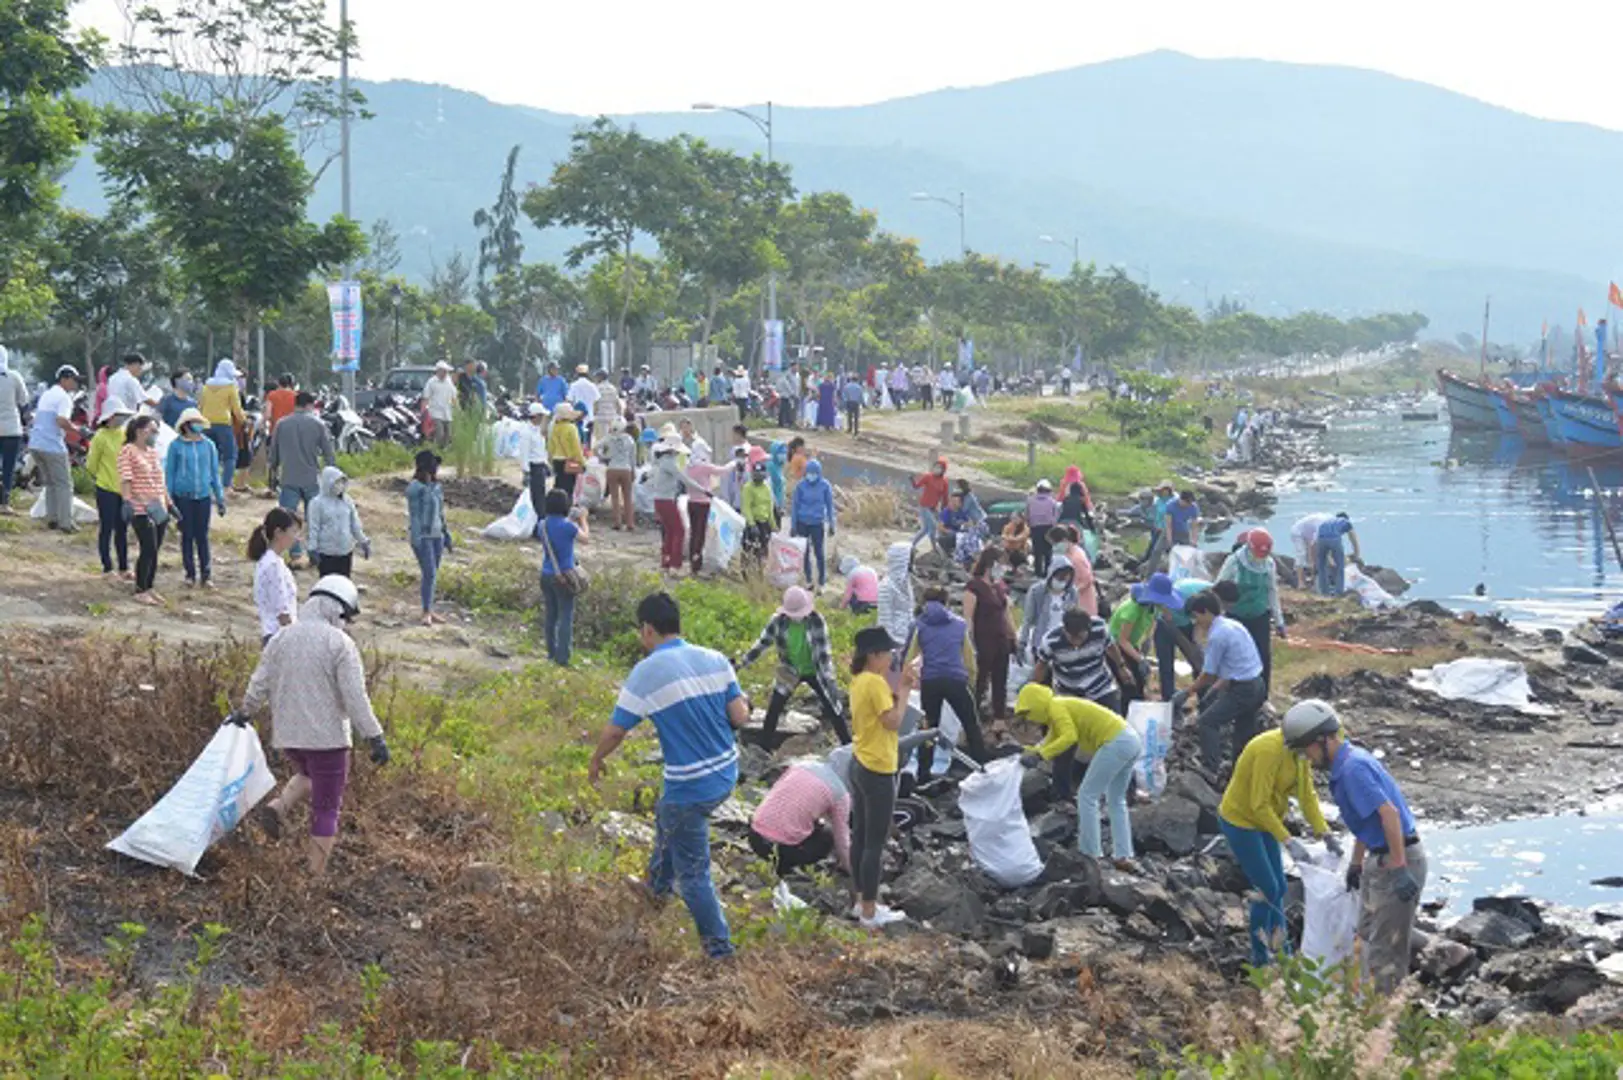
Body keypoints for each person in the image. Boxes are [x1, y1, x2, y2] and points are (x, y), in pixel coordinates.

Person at [588, 593, 747, 958]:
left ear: (647, 630)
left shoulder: (647, 671)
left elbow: (615, 731)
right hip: (726, 770)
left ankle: (720, 951)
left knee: (693, 872)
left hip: (692, 785)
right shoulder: (715, 659)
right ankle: (656, 889)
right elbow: (740, 717)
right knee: (668, 813)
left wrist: (596, 759)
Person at [233, 575, 388, 875]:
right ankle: (313, 878)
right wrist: (375, 737)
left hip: (289, 737)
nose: (346, 624)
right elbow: (355, 698)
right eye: (345, 617)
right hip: (328, 740)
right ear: (335, 610)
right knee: (327, 808)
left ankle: (279, 806)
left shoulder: (281, 637)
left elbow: (259, 682)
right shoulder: (340, 644)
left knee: (307, 773)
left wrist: (245, 711)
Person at [1288, 699, 1426, 993]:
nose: (1307, 759)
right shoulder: (1345, 767)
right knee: (1364, 938)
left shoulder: (1353, 770)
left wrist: (1399, 867)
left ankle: (1387, 1025)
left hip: (1396, 857)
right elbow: (1366, 822)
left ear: (1323, 740)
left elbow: (1389, 814)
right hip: (1380, 858)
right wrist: (1355, 863)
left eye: (1307, 750)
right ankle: (1367, 1010)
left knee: (1386, 952)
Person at [1217, 720, 1337, 968]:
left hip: (1266, 822)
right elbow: (1258, 804)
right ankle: (1260, 960)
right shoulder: (1267, 750)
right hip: (1241, 821)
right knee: (1266, 890)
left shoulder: (1299, 754)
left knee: (1280, 887)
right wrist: (1288, 840)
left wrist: (1324, 832)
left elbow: (1307, 794)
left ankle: (1283, 952)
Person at [847, 626, 920, 928]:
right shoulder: (875, 683)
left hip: (859, 761)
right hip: (878, 767)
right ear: (874, 655)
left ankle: (858, 900)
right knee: (875, 843)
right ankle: (869, 911)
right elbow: (893, 722)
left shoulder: (859, 681)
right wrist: (904, 688)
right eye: (887, 652)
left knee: (860, 837)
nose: (891, 657)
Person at [1015, 684, 1141, 859]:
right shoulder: (1059, 706)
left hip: (1115, 742)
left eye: (1028, 713)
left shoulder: (1056, 707)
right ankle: (1124, 854)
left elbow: (1069, 737)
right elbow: (1052, 738)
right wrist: (1034, 751)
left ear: (1035, 704)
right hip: (1130, 739)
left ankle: (1091, 853)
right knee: (1116, 800)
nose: (1030, 720)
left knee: (1087, 796)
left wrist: (1041, 755)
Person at [736, 586, 849, 746]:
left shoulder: (816, 620)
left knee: (832, 706)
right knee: (775, 707)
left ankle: (847, 744)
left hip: (816, 670)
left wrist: (829, 680)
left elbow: (824, 653)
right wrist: (741, 663)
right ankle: (764, 749)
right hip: (790, 669)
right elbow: (762, 644)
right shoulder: (778, 622)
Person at [1177, 590, 1268, 777]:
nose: (1196, 622)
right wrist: (1215, 690)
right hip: (1257, 684)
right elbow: (1234, 666)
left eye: (1196, 616)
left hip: (1244, 689)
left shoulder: (1217, 635)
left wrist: (1187, 692)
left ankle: (1211, 770)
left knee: (1207, 722)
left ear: (1205, 612)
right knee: (1243, 731)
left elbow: (1208, 674)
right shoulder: (1234, 626)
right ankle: (1241, 771)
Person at [909, 586, 988, 777]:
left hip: (930, 681)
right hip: (955, 679)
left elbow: (910, 657)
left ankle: (923, 772)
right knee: (971, 724)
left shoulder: (919, 625)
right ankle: (981, 768)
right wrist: (972, 681)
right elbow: (970, 659)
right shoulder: (959, 625)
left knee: (928, 729)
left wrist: (914, 679)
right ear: (946, 603)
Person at [748, 750, 852, 876]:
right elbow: (842, 840)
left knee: (810, 820)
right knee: (828, 836)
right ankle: (784, 869)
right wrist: (851, 869)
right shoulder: (840, 794)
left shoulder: (801, 765)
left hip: (754, 836)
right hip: (781, 849)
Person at [268, 391, 335, 566]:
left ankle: (296, 554)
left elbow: (273, 454)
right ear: (310, 405)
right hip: (311, 478)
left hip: (289, 477)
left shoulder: (282, 424)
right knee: (315, 518)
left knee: (289, 519)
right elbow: (329, 454)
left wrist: (273, 474)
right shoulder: (318, 424)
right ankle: (315, 554)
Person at [1217, 527, 1287, 693]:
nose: (1259, 558)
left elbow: (1272, 591)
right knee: (1235, 656)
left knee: (1263, 656)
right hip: (1237, 616)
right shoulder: (1234, 562)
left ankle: (1262, 696)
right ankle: (1234, 693)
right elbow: (1219, 588)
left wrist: (1279, 622)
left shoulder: (1269, 564)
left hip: (1259, 615)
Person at [165, 407, 227, 588]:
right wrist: (168, 499)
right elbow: (170, 474)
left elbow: (215, 473)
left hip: (203, 497)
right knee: (187, 535)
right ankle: (189, 574)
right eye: (194, 422)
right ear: (185, 425)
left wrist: (220, 498)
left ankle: (206, 575)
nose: (198, 425)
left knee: (202, 536)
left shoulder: (208, 445)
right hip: (182, 497)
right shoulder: (175, 446)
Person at [117, 415, 172, 605]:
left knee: (155, 549)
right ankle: (140, 589)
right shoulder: (128, 451)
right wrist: (128, 501)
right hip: (141, 508)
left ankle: (149, 586)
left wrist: (169, 503)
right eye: (152, 430)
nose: (155, 434)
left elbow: (160, 480)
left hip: (158, 507)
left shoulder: (152, 453)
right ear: (139, 431)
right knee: (147, 547)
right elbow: (126, 479)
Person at [1109, 572, 1183, 701]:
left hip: (1132, 646)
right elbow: (1122, 640)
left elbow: (1150, 627)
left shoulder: (1153, 608)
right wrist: (1140, 659)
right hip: (1115, 648)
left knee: (1140, 681)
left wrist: (1145, 645)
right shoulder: (1132, 609)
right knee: (1130, 685)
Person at [1034, 606, 1123, 714]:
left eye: (1080, 637)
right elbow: (1041, 666)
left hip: (1100, 687)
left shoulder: (1100, 629)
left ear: (1088, 629)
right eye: (1072, 638)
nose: (1076, 643)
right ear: (1064, 630)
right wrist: (1035, 689)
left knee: (1114, 723)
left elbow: (1111, 648)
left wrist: (1121, 667)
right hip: (1068, 692)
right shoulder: (1051, 641)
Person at [964, 548, 1017, 724]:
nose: (1003, 568)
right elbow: (969, 618)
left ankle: (999, 718)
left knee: (1000, 680)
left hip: (1001, 639)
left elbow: (1006, 612)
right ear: (991, 564)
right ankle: (972, 717)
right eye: (1001, 564)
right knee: (980, 680)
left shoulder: (999, 586)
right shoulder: (974, 587)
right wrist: (969, 644)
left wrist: (1014, 636)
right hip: (983, 639)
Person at [537, 488, 588, 666]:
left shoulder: (542, 525)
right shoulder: (568, 526)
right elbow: (585, 538)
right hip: (565, 575)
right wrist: (582, 519)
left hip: (546, 573)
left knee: (550, 615)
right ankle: (563, 657)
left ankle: (551, 652)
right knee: (565, 616)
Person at [29, 365, 82, 532]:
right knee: (64, 484)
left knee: (50, 484)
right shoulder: (64, 398)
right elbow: (61, 420)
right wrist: (77, 430)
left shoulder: (47, 394)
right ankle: (66, 522)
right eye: (74, 380)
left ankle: (52, 518)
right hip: (52, 445)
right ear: (65, 379)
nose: (75, 384)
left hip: (36, 444)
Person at [87, 400, 135, 578]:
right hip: (105, 488)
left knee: (122, 529)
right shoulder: (100, 436)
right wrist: (103, 477)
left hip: (124, 489)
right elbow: (91, 465)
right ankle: (107, 567)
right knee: (107, 528)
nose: (121, 418)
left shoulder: (125, 435)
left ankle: (124, 567)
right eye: (118, 415)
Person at [407, 449, 452, 626]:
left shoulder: (437, 487)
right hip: (423, 536)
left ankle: (430, 609)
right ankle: (426, 610)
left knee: (432, 575)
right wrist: (416, 539)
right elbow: (415, 515)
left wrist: (446, 534)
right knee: (429, 572)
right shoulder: (415, 489)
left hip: (437, 535)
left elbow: (440, 513)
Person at [1153, 574, 1212, 700]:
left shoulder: (1190, 593)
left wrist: (1196, 640)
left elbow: (1214, 602)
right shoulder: (1155, 598)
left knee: (1197, 661)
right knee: (1165, 663)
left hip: (1188, 624)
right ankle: (1170, 701)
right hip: (1164, 624)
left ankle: (1204, 699)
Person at [306, 466, 370, 579]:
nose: (339, 485)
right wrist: (312, 548)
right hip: (326, 553)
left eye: (341, 482)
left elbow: (354, 524)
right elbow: (314, 527)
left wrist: (363, 541)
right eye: (336, 482)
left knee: (343, 584)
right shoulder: (316, 503)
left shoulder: (347, 501)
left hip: (345, 551)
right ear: (328, 482)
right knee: (328, 584)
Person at [250, 507, 302, 645]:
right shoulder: (274, 564)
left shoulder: (268, 560)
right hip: (279, 636)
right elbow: (282, 610)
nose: (297, 538)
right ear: (278, 532)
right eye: (294, 532)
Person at [198, 359, 247, 494]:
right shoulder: (231, 387)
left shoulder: (206, 386)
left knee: (208, 455)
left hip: (206, 423)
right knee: (230, 455)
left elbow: (200, 405)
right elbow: (236, 409)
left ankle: (205, 484)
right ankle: (226, 486)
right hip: (223, 423)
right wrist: (244, 420)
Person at [789, 458, 837, 587]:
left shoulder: (825, 486)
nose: (811, 476)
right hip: (802, 522)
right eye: (809, 473)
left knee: (819, 552)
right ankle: (808, 579)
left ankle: (821, 581)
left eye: (814, 473)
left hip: (817, 523)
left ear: (819, 473)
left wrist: (832, 524)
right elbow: (795, 507)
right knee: (804, 553)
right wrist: (793, 525)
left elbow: (830, 506)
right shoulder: (800, 486)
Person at [1019, 561, 1078, 665]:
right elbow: (1028, 619)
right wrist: (1022, 642)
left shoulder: (1071, 593)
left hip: (1063, 644)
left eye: (1065, 580)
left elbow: (1074, 617)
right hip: (1042, 642)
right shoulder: (1037, 591)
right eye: (1060, 578)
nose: (1062, 582)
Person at [648, 437, 687, 572]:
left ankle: (666, 560)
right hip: (666, 501)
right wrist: (703, 490)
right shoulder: (669, 463)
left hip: (660, 500)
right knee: (679, 530)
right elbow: (684, 478)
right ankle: (675, 564)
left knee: (670, 531)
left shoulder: (660, 462)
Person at [0, 348, 31, 512]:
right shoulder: (14, 377)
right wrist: (28, 421)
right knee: (8, 466)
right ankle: (4, 503)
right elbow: (24, 402)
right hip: (12, 429)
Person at [595, 416, 636, 530]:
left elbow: (596, 447)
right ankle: (630, 522)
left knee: (615, 497)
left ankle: (617, 522)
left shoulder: (608, 438)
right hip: (626, 468)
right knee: (628, 497)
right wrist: (633, 470)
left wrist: (603, 457)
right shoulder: (629, 439)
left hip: (612, 468)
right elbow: (633, 458)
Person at [1050, 526, 1098, 617]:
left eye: (1055, 543)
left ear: (1064, 540)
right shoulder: (1069, 553)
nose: (1054, 547)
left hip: (1082, 601)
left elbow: (1088, 579)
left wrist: (1072, 591)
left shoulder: (1076, 557)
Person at [910, 456, 949, 555]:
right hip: (924, 505)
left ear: (943, 470)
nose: (937, 469)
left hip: (933, 508)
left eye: (939, 468)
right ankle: (934, 548)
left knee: (926, 529)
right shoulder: (928, 477)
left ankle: (912, 545)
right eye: (936, 467)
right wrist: (912, 480)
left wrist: (945, 510)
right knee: (933, 526)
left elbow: (945, 497)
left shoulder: (944, 481)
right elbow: (916, 486)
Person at [547, 403, 586, 500]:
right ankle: (566, 508)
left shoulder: (554, 427)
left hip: (556, 459)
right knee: (568, 487)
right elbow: (576, 447)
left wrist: (550, 460)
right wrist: (582, 462)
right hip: (569, 461)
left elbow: (550, 446)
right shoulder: (571, 428)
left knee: (558, 484)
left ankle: (556, 506)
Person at [1316, 512, 1361, 596]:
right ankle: (1338, 592)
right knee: (1340, 566)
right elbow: (1353, 538)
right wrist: (1356, 554)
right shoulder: (1346, 522)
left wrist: (1330, 559)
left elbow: (1324, 541)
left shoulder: (1326, 522)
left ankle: (1324, 593)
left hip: (1320, 539)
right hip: (1334, 539)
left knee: (1322, 567)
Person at [741, 461, 776, 567]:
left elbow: (769, 508)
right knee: (749, 549)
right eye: (756, 474)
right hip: (753, 524)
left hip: (764, 524)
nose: (758, 477)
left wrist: (773, 525)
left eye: (760, 474)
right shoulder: (748, 488)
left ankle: (760, 573)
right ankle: (746, 572)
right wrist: (752, 524)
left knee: (763, 551)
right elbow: (746, 507)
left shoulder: (767, 488)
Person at [1289, 512, 1333, 589]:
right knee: (1301, 554)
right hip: (1297, 531)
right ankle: (1300, 582)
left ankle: (1311, 578)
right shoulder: (1321, 526)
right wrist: (1313, 562)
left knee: (1310, 557)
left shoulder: (1331, 522)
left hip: (1308, 533)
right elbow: (1314, 546)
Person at [1141, 480, 1177, 571]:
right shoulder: (1159, 501)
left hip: (1167, 529)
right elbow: (1157, 515)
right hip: (1157, 527)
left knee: (1165, 548)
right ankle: (1146, 563)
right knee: (1153, 546)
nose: (1163, 492)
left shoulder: (1173, 502)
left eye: (1165, 490)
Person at [1031, 478, 1068, 566]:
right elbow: (1056, 515)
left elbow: (1027, 514)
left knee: (1037, 551)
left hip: (1035, 527)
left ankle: (1038, 571)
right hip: (1048, 527)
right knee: (1048, 550)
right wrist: (1053, 524)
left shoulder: (1030, 500)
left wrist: (1031, 524)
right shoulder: (1052, 502)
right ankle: (1048, 569)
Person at [423, 361, 458, 447]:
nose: (445, 373)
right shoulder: (431, 382)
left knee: (448, 434)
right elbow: (426, 397)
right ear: (438, 371)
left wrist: (456, 407)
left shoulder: (449, 382)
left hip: (447, 412)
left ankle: (443, 451)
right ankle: (437, 449)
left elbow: (454, 396)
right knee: (440, 433)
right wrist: (424, 410)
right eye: (443, 371)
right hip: (435, 412)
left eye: (446, 371)